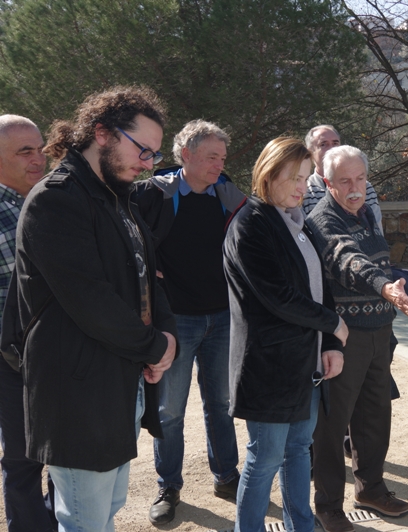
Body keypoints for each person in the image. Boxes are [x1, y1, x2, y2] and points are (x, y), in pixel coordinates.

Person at [2, 86, 178, 531]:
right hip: (76, 395)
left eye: (154, 156)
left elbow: (149, 278)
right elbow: (90, 299)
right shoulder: (55, 199)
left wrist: (165, 337)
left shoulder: (118, 198)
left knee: (106, 509)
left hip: (116, 385)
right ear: (102, 133)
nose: (147, 163)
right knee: (85, 521)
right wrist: (153, 345)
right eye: (142, 149)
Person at [223, 137, 347, 532]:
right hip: (269, 368)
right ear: (267, 173)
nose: (300, 186)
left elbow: (320, 288)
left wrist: (328, 344)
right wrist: (333, 325)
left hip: (304, 365)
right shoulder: (251, 224)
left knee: (298, 452)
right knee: (264, 459)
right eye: (292, 177)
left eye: (306, 178)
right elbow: (279, 297)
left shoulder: (299, 223)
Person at [132, 120, 244, 525]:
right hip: (175, 322)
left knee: (222, 405)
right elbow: (126, 241)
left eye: (222, 158)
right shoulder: (151, 195)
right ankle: (169, 486)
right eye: (211, 157)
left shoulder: (228, 196)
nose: (219, 164)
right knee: (169, 412)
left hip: (222, 318)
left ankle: (227, 476)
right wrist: (147, 273)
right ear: (186, 156)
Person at [305, 145, 408, 532]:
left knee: (374, 417)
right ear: (327, 183)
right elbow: (347, 258)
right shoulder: (321, 219)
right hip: (344, 340)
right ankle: (328, 505)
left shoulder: (367, 213)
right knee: (332, 425)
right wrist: (385, 287)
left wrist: (394, 282)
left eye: (360, 179)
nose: (354, 188)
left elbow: (378, 263)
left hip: (379, 335)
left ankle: (371, 488)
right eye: (344, 181)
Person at [0, 115, 55, 531]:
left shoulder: (51, 201)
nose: (40, 158)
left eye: (41, 148)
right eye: (25, 151)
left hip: (61, 356)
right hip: (11, 363)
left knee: (63, 454)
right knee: (21, 461)